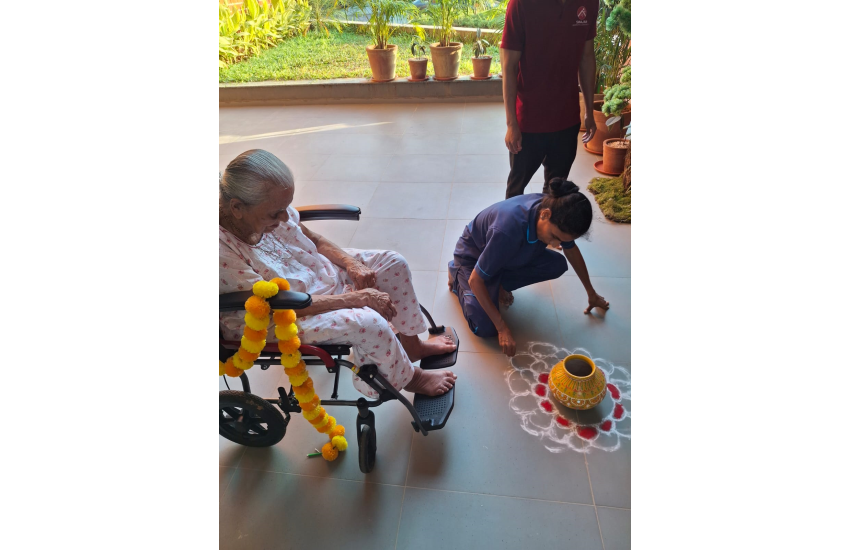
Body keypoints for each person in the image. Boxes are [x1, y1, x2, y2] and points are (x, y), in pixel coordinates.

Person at [219, 149, 458, 398]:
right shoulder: (222, 250)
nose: (285, 217)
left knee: (391, 263)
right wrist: (358, 298)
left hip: (315, 275)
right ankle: (411, 378)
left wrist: (351, 264)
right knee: (368, 321)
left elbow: (315, 240)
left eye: (286, 208)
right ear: (237, 207)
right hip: (277, 316)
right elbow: (277, 306)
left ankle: (412, 346)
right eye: (275, 213)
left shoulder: (268, 206)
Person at [447, 178, 609, 357]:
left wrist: (591, 292)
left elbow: (571, 251)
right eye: (554, 236)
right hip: (473, 257)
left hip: (504, 253)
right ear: (545, 215)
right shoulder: (507, 231)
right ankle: (456, 273)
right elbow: (476, 280)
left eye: (562, 240)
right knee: (485, 327)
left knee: (556, 264)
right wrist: (502, 328)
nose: (556, 245)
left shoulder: (557, 209)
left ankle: (498, 281)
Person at [500, 0, 599, 199]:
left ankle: (549, 230)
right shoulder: (521, 5)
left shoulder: (589, 3)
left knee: (556, 194)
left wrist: (589, 110)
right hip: (528, 120)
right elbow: (509, 67)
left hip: (567, 119)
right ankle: (512, 229)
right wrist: (512, 123)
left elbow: (586, 58)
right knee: (515, 191)